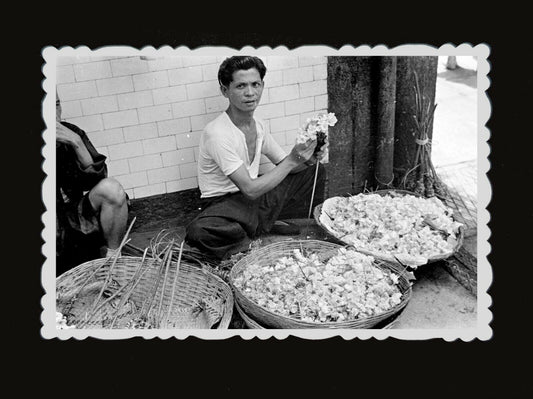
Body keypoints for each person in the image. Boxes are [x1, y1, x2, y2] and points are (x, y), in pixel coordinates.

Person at [185, 56, 327, 260]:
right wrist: (292, 160)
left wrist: (308, 158)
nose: (250, 93)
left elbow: (286, 165)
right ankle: (254, 234)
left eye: (255, 84)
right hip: (226, 205)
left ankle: (256, 228)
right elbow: (250, 189)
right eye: (241, 86)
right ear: (225, 90)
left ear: (262, 86)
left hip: (254, 201)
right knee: (199, 231)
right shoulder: (217, 133)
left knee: (314, 171)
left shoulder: (258, 125)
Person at [56, 93, 129, 275]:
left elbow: (98, 180)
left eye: (56, 104)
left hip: (72, 218)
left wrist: (77, 143)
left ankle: (112, 260)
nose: (53, 113)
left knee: (112, 189)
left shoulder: (70, 132)